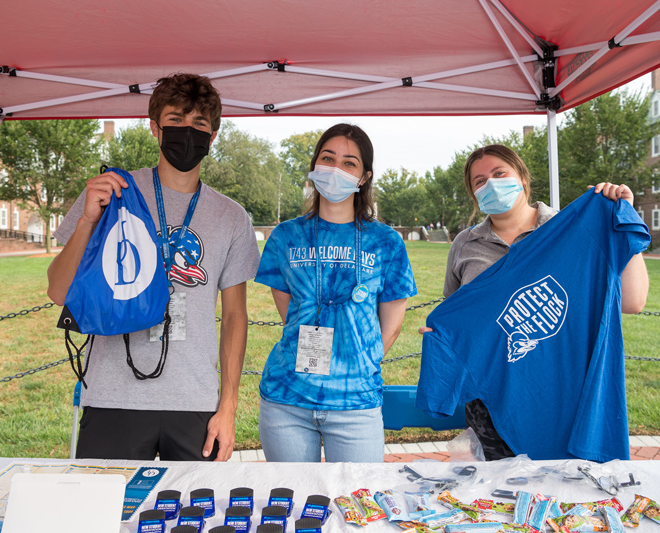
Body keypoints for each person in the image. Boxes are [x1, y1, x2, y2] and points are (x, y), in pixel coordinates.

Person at [47, 73, 260, 461]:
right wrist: (86, 224)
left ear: (212, 137)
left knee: (194, 519)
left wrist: (227, 408)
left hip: (195, 401)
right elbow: (59, 292)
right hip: (113, 397)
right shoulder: (114, 193)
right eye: (176, 120)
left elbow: (234, 318)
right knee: (106, 517)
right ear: (154, 128)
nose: (187, 131)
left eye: (199, 124)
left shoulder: (232, 217)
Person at [418, 144, 649, 461]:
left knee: (564, 499)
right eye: (480, 181)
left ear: (522, 178)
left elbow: (634, 301)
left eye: (500, 174)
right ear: (473, 194)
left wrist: (621, 222)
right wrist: (442, 335)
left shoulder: (570, 230)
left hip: (561, 390)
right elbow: (461, 316)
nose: (491, 184)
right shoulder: (465, 243)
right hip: (493, 401)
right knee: (498, 499)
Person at [254, 124, 417, 462]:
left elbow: (392, 325)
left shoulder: (386, 243)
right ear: (314, 167)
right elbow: (291, 314)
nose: (335, 169)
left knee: (357, 505)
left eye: (349, 163)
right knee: (295, 505)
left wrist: (357, 361)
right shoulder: (285, 237)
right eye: (327, 159)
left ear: (363, 177)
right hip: (287, 400)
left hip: (355, 404)